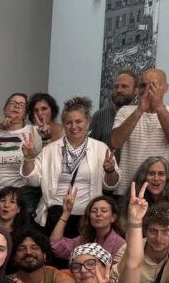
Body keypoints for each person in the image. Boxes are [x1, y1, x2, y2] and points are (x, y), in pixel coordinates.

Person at [22, 96, 120, 230]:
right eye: (68, 123)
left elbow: (111, 185)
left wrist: (110, 171)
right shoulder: (50, 150)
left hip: (88, 217)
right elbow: (32, 180)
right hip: (55, 215)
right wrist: (28, 157)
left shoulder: (100, 148)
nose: (74, 127)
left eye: (78, 121)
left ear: (88, 121)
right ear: (63, 124)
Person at [110, 68, 169, 197]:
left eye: (153, 86)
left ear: (165, 88)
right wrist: (140, 110)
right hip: (128, 190)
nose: (147, 90)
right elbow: (116, 142)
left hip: (163, 192)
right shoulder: (125, 111)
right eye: (143, 86)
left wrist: (159, 107)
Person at [0, 93, 42, 209]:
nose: (17, 106)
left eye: (21, 105)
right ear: (4, 109)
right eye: (13, 103)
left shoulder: (34, 132)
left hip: (22, 194)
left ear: (25, 114)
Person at [49, 194, 125, 264]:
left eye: (104, 211)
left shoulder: (121, 245)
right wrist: (66, 213)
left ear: (113, 217)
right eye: (94, 211)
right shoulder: (84, 239)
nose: (98, 214)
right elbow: (56, 245)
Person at [90, 69, 137, 146]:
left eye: (124, 86)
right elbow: (90, 146)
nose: (119, 90)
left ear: (136, 90)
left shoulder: (142, 115)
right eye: (116, 86)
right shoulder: (99, 116)